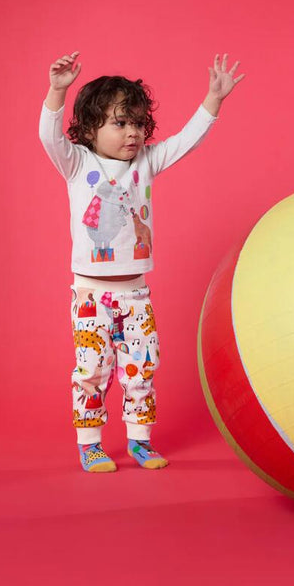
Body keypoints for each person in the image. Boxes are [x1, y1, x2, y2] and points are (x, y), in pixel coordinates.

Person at [38, 50, 244, 472]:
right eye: (119, 122)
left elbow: (187, 140)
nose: (132, 133)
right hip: (91, 296)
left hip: (136, 294)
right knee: (92, 370)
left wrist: (213, 102)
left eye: (137, 123)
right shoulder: (77, 163)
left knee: (142, 367)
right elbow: (49, 137)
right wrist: (57, 92)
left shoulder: (145, 163)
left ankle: (139, 441)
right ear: (90, 129)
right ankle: (90, 443)